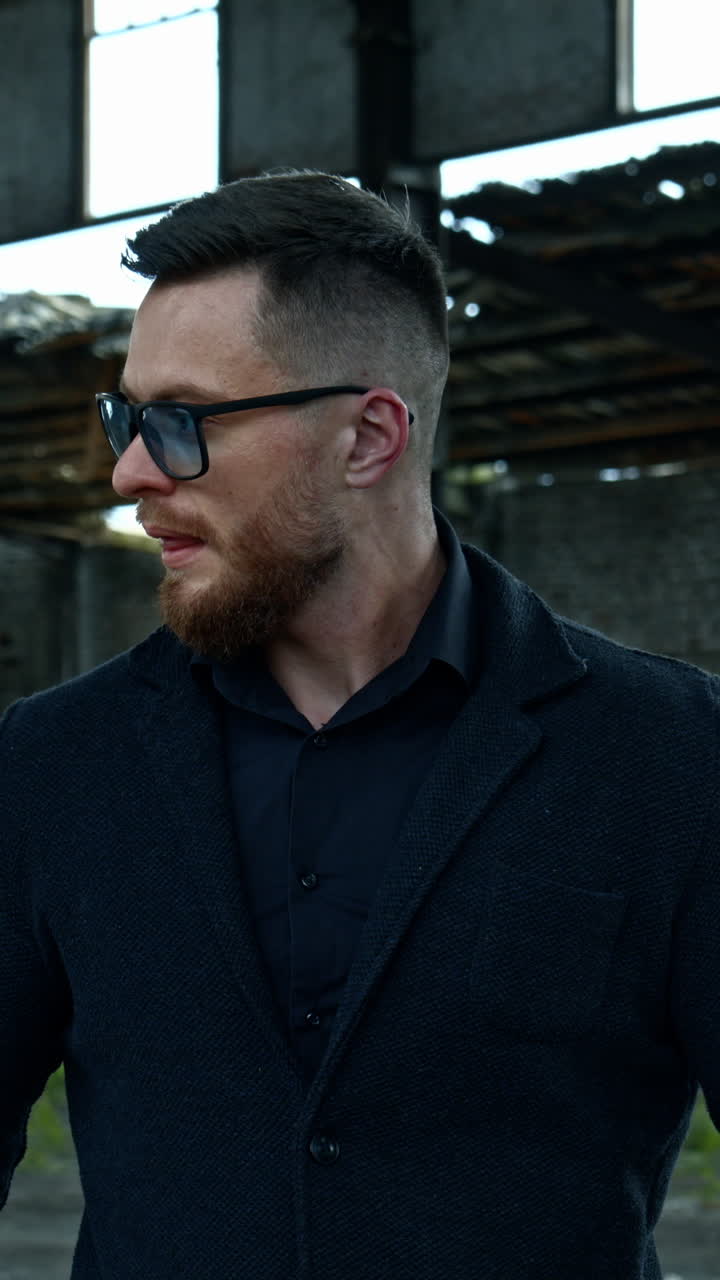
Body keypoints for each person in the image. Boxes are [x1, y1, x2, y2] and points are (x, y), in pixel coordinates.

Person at [1, 170, 718, 1280]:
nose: (130, 470)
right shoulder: (50, 763)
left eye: (181, 421)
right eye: (127, 417)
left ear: (369, 437)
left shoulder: (673, 753)